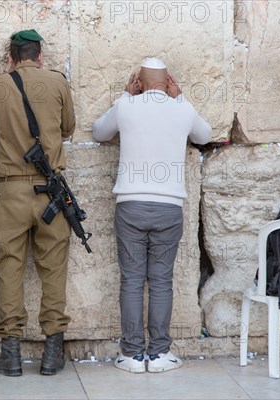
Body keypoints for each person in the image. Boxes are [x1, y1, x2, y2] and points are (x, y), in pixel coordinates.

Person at [92, 58, 211, 373]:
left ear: (139, 82)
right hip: (169, 208)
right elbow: (204, 134)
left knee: (131, 280)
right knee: (160, 280)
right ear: (169, 82)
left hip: (130, 205)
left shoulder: (126, 104)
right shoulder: (182, 109)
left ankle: (131, 354)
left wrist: (126, 97)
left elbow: (99, 132)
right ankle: (159, 354)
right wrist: (181, 98)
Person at [0, 29, 76, 376]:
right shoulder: (57, 82)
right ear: (39, 56)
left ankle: (11, 352)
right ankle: (53, 352)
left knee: (9, 267)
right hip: (51, 191)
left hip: (11, 192)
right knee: (54, 270)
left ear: (11, 57)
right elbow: (68, 127)